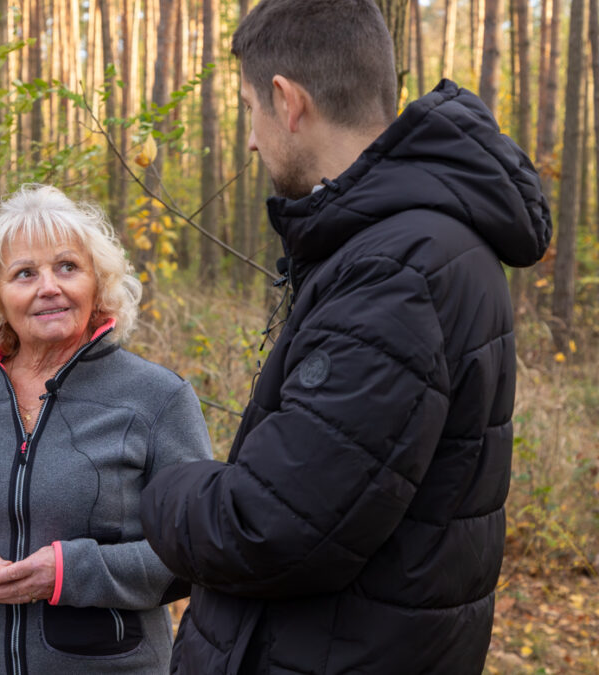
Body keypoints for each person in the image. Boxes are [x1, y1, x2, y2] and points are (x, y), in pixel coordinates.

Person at [139, 1, 552, 673]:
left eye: (249, 109)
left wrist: (160, 485)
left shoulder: (395, 270)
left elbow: (273, 526)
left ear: (286, 101)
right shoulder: (409, 243)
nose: (250, 139)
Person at [0, 184, 212, 675]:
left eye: (67, 267)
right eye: (24, 273)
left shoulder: (157, 398)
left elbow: (198, 550)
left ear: (97, 283)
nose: (48, 286)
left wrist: (72, 573)